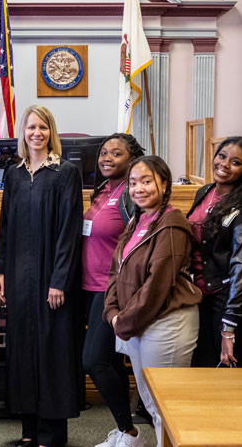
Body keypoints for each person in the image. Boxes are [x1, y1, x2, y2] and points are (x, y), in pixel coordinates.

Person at [0, 105, 84, 447]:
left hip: (51, 277)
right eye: (31, 127)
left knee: (52, 350)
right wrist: (0, 270)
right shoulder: (14, 173)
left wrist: (59, 279)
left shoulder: (65, 172)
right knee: (23, 349)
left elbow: (69, 231)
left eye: (43, 127)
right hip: (19, 276)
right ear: (23, 132)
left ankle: (52, 435)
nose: (36, 133)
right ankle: (29, 432)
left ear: (51, 131)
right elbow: (4, 225)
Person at [104, 156, 201, 447]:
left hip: (166, 322)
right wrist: (112, 312)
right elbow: (116, 272)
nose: (139, 189)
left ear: (164, 184)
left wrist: (123, 321)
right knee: (150, 402)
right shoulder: (137, 220)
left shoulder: (171, 223)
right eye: (133, 183)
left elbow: (158, 284)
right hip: (137, 323)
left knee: (167, 407)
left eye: (147, 181)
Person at [82, 133, 146, 447]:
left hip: (111, 291)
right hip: (88, 287)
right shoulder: (104, 189)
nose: (106, 158)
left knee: (94, 360)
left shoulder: (131, 194)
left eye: (116, 153)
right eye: (103, 152)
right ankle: (126, 431)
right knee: (110, 360)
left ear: (132, 160)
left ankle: (130, 431)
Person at [185, 136, 242, 367]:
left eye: (235, 162)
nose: (224, 164)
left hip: (232, 297)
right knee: (202, 364)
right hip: (204, 292)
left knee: (227, 368)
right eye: (222, 156)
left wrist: (229, 326)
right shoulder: (205, 191)